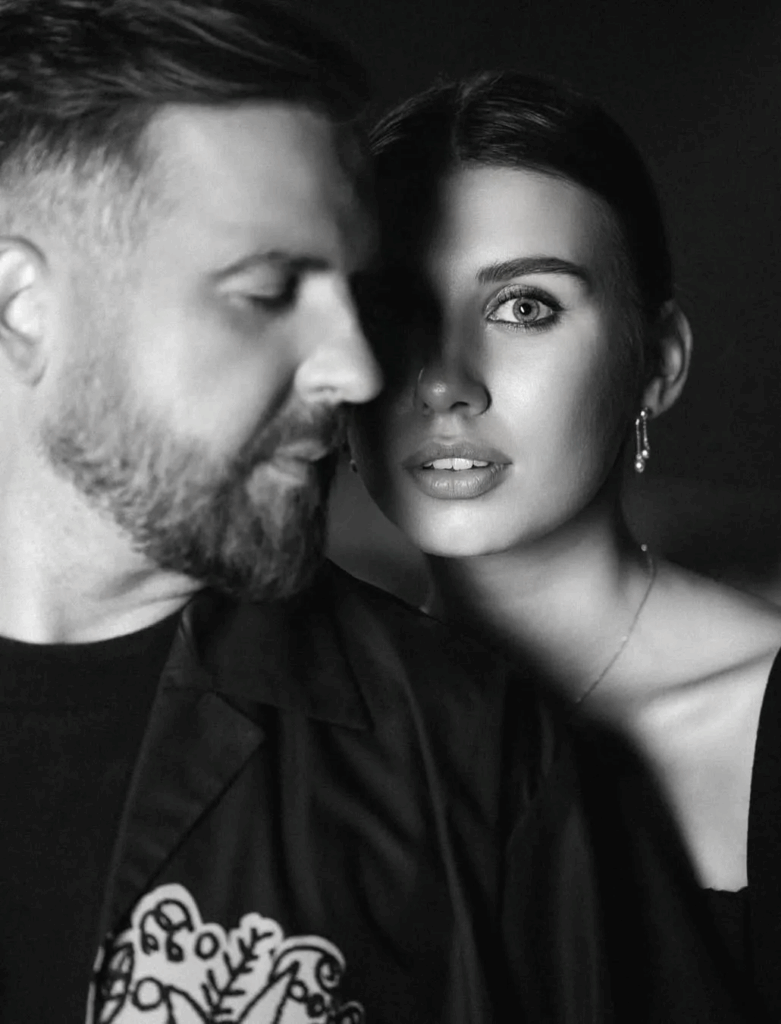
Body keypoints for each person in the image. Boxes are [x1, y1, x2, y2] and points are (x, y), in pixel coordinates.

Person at [0, 7, 617, 1022]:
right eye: (269, 289)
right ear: (24, 306)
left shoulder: (472, 750)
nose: (360, 371)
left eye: (355, 299)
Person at [349, 70, 781, 1021]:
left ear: (657, 363)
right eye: (396, 309)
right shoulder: (294, 728)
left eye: (523, 306)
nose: (445, 383)